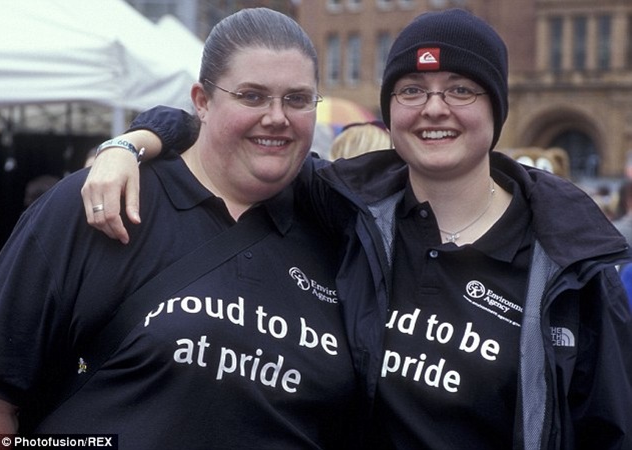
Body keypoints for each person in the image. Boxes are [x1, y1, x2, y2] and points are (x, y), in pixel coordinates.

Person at [81, 9, 632, 449]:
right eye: (411, 89)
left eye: (461, 89)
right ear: (389, 111)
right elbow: (227, 128)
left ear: (497, 108)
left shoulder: (570, 268)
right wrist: (128, 144)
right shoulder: (347, 207)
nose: (433, 108)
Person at [0, 8, 364, 449]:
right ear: (202, 101)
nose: (277, 117)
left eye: (298, 99)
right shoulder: (101, 201)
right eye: (251, 96)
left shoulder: (340, 228)